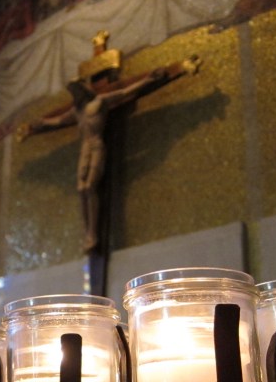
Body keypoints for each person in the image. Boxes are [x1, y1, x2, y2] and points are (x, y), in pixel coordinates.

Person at [18, 69, 167, 253]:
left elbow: (124, 92)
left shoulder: (100, 101)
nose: (76, 94)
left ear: (83, 89)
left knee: (90, 187)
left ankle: (93, 234)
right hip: (85, 149)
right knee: (81, 189)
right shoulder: (77, 111)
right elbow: (57, 121)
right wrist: (39, 123)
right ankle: (88, 232)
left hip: (97, 146)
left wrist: (147, 79)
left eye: (77, 90)